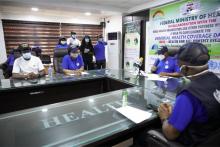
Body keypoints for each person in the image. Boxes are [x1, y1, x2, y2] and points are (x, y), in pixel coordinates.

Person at [157, 42, 220, 146]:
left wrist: (164, 117)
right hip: (211, 139)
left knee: (144, 135)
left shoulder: (188, 94)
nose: (177, 66)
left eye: (179, 65)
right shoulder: (216, 80)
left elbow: (170, 134)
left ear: (185, 68)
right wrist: (179, 110)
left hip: (194, 142)